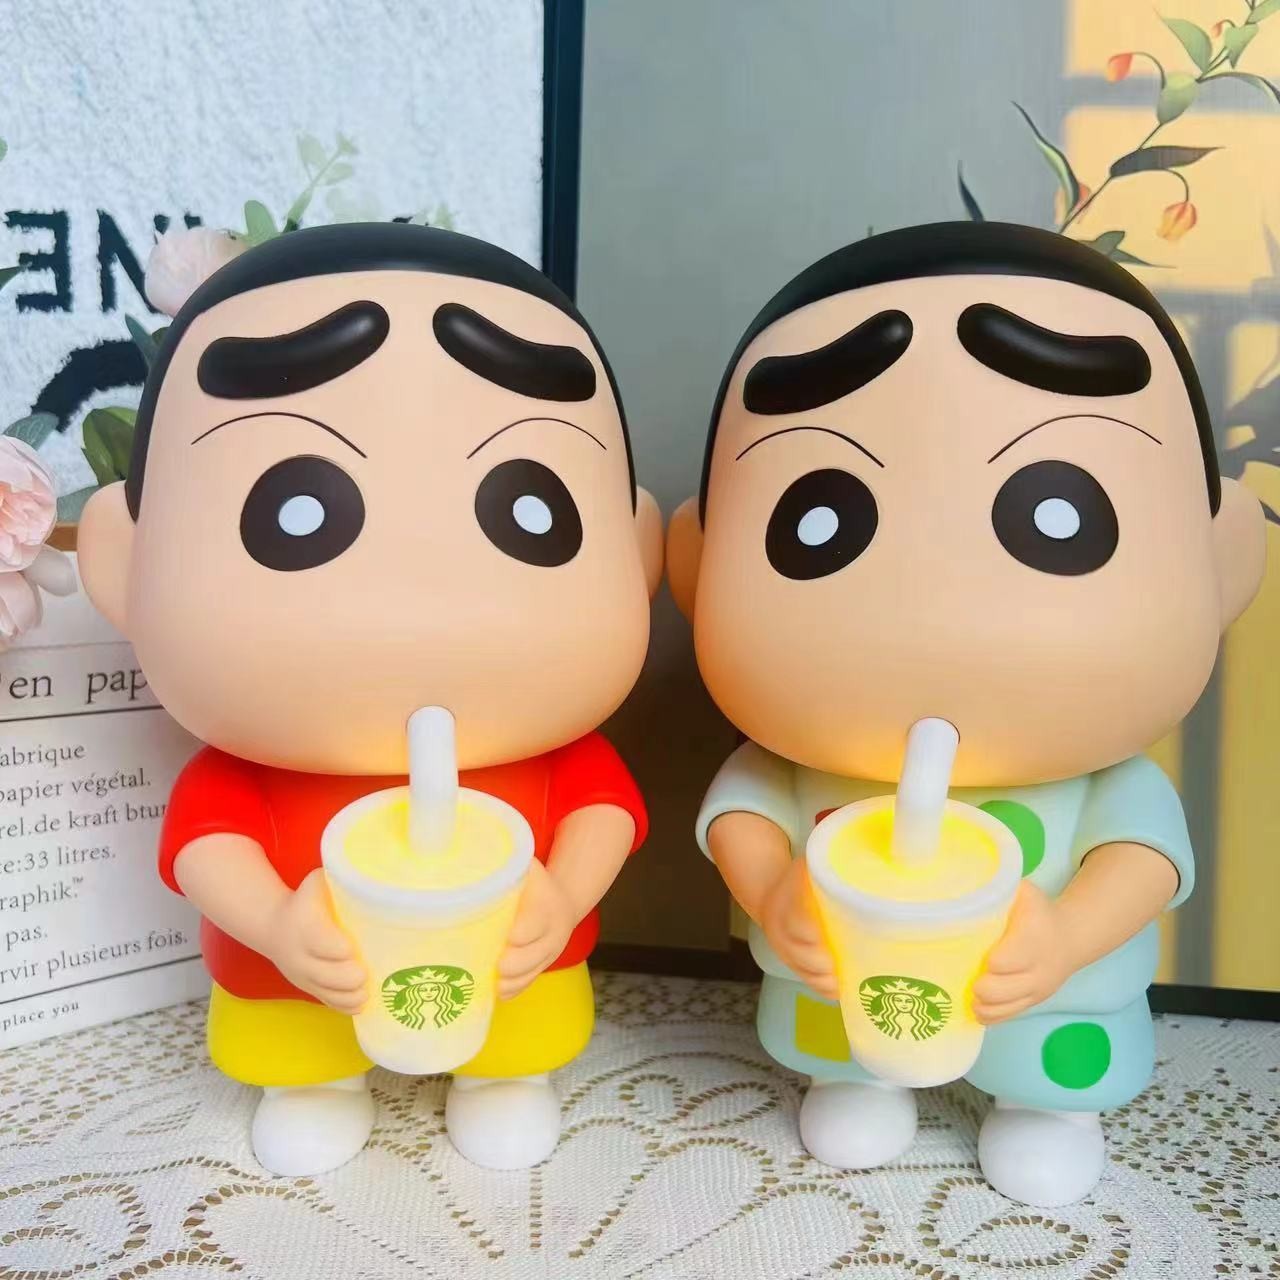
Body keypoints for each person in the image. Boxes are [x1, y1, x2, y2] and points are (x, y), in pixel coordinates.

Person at [665, 221, 1264, 1207]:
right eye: (818, 519)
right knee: (838, 1038)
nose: (938, 609)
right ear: (695, 567)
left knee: (1048, 1049)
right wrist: (773, 892)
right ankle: (856, 1080)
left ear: (1222, 560)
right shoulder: (793, 763)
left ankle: (1043, 1108)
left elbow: (1143, 859)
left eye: (1059, 517)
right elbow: (741, 819)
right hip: (843, 994)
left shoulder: (1097, 779)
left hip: (1047, 1001)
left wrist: (1065, 936)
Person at [78, 222, 662, 1176]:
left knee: (523, 1027)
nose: (416, 603)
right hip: (298, 982)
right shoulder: (247, 770)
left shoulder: (552, 755)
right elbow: (207, 849)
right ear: (124, 566)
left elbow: (602, 816)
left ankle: (504, 1078)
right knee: (295, 1040)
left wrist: (559, 895)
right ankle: (315, 1086)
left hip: (513, 973)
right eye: (292, 513)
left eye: (531, 511)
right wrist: (275, 926)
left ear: (638, 556)